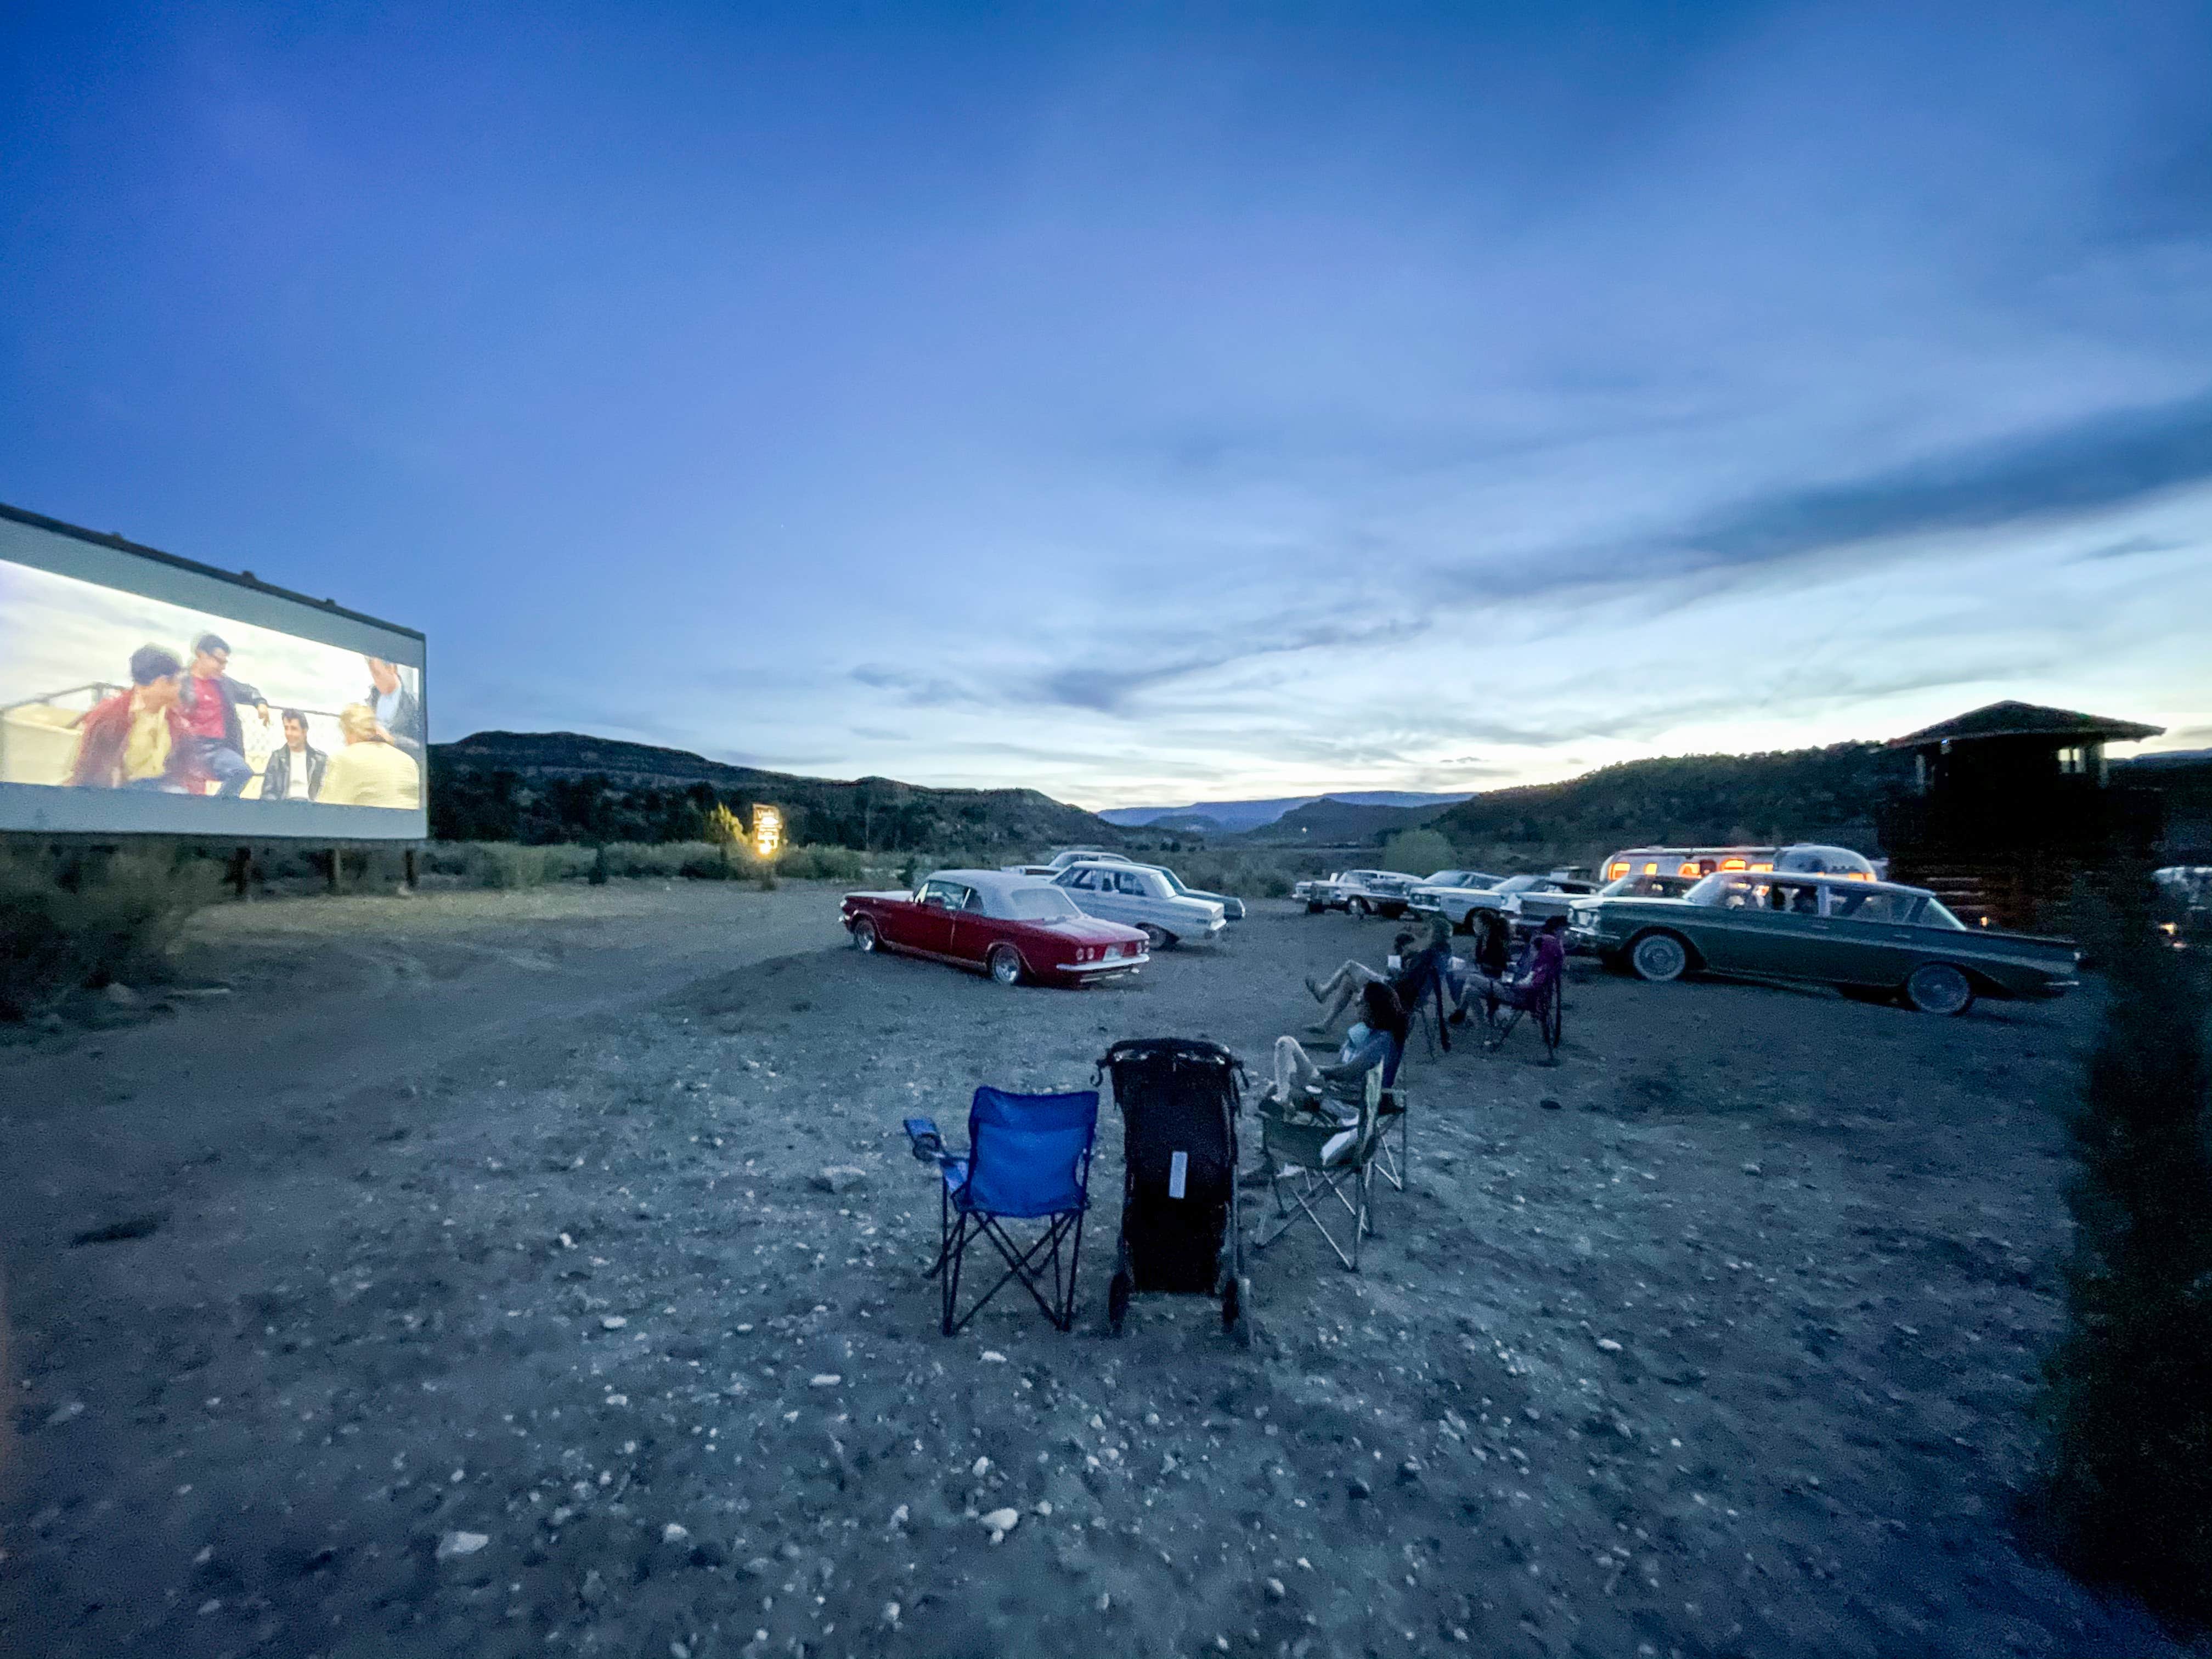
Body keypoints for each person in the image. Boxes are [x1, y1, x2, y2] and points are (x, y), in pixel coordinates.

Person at [1242, 983, 1408, 1187]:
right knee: (1279, 1087)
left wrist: (1317, 1072)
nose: (1356, 1002)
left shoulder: (1384, 1041)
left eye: (1361, 1001)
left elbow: (1347, 1073)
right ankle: (1277, 1160)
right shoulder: (1364, 1033)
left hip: (1350, 1108)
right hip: (1334, 1094)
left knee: (1279, 1079)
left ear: (1374, 1008)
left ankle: (1279, 1162)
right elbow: (1341, 1067)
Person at [68, 645, 190, 790]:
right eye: (176, 682)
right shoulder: (110, 717)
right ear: (161, 682)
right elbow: (88, 772)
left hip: (163, 786)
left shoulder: (175, 716)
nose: (181, 687)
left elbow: (185, 769)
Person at [176, 633, 270, 798]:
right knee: (188, 796)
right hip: (189, 749)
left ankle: (218, 809)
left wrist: (260, 703)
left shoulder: (223, 683)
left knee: (242, 772)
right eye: (219, 661)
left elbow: (248, 691)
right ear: (201, 655)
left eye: (225, 662)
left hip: (217, 749)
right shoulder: (179, 682)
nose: (222, 667)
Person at [1451, 914, 1568, 1024]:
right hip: (1513, 988)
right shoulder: (1540, 965)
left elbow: (1532, 985)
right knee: (1470, 990)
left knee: (1470, 979)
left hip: (1515, 993)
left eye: (1533, 950)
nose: (1531, 952)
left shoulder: (1541, 968)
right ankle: (1481, 1022)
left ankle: (1465, 1013)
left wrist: (1511, 984)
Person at [1304, 930, 1417, 1032]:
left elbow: (1398, 980)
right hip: (1387, 986)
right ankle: (1326, 1023)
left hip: (1387, 989)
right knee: (1348, 982)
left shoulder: (1413, 960)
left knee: (1350, 965)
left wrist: (1398, 962)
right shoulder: (1411, 959)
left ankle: (1323, 993)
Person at [319, 703, 422, 808]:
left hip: (371, 823)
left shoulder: (344, 759)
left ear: (349, 731)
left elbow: (327, 810)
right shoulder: (408, 761)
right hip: (411, 824)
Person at [259, 709, 326, 803]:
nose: (289, 733)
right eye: (286, 728)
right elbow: (267, 792)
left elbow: (325, 792)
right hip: (285, 808)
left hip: (311, 810)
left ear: (304, 732)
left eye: (294, 729)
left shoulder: (319, 760)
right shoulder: (277, 758)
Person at [363, 656, 424, 759]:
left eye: (378, 674)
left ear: (392, 668)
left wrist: (390, 739)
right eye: (373, 676)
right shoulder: (372, 699)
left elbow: (421, 749)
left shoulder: (415, 704)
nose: (376, 682)